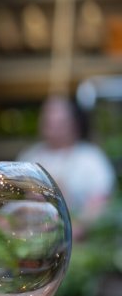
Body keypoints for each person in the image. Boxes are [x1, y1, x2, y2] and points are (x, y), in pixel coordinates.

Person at [18, 94, 116, 239]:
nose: (52, 126)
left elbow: (102, 201)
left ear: (74, 124)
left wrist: (78, 225)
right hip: (33, 234)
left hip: (81, 238)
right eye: (48, 120)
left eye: (59, 122)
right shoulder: (29, 156)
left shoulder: (90, 157)